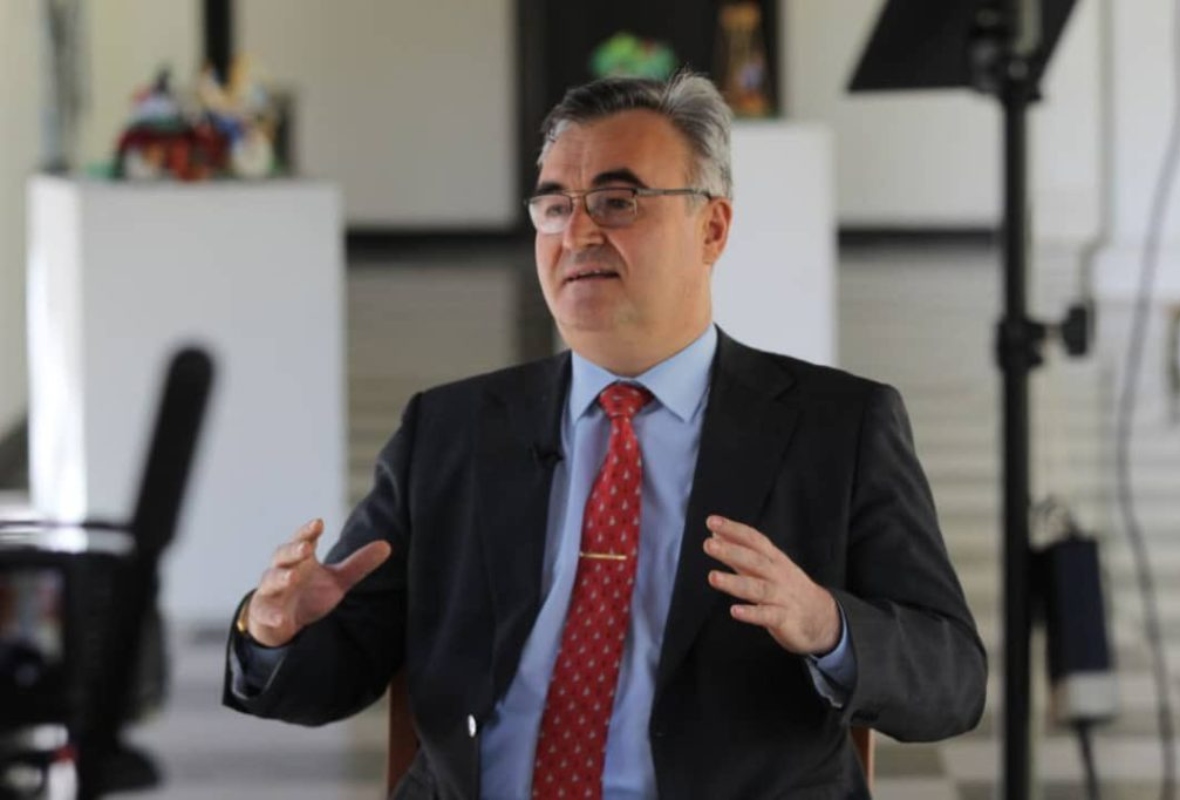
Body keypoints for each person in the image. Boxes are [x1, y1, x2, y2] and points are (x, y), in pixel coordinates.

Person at [224, 71, 986, 799]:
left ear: (712, 227)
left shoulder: (836, 427)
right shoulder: (451, 430)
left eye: (618, 202)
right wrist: (273, 632)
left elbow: (952, 681)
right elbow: (338, 670)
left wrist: (827, 626)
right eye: (555, 206)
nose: (577, 231)